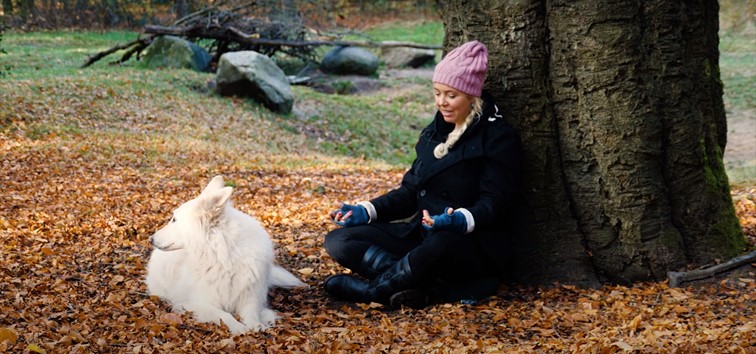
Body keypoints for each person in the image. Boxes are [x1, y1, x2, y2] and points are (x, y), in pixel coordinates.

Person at [323, 40, 523, 308]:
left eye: (452, 95)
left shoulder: (498, 138)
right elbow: (410, 192)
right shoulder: (433, 133)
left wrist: (459, 221)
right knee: (339, 240)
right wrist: (367, 210)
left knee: (442, 242)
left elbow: (495, 203)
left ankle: (375, 292)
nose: (442, 102)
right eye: (437, 93)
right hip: (421, 237)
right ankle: (419, 283)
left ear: (471, 96)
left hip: (467, 246)